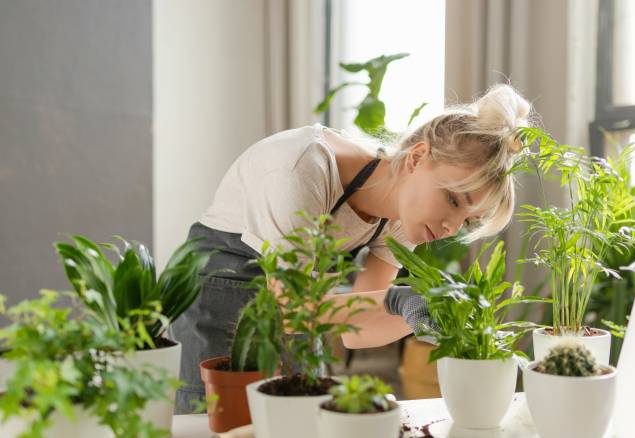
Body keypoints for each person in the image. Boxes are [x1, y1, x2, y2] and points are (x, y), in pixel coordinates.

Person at [168, 84, 532, 413]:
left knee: (303, 428)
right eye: (453, 200)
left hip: (299, 302)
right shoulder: (304, 170)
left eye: (468, 220)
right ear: (417, 158)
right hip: (221, 289)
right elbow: (292, 307)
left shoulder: (405, 217)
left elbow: (357, 332)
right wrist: (397, 300)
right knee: (219, 433)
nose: (452, 226)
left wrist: (429, 316)